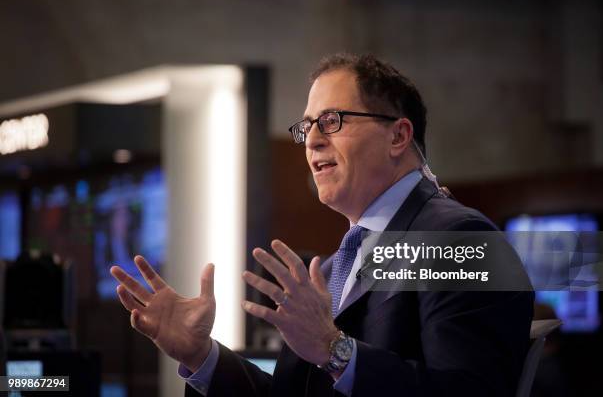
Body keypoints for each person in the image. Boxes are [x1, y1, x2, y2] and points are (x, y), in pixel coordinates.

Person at [110, 53, 534, 396]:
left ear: (398, 136)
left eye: (333, 121)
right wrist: (203, 357)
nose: (312, 140)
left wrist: (336, 351)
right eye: (307, 126)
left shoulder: (461, 239)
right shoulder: (331, 270)